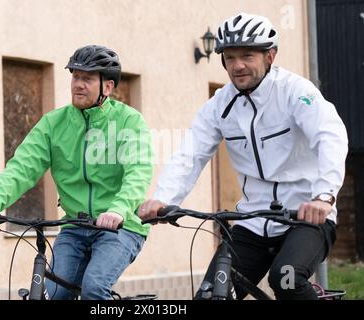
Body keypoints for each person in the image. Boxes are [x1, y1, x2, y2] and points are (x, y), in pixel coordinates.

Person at [139, 13, 348, 300]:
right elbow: (190, 154)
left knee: (285, 279)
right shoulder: (219, 105)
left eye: (247, 56)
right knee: (211, 294)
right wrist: (164, 199)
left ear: (270, 56)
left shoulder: (296, 92)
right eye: (230, 57)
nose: (238, 66)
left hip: (305, 217)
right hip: (252, 221)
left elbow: (330, 137)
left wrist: (323, 196)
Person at [0, 45, 153, 300]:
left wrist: (118, 210)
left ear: (108, 87)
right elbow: (22, 167)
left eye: (87, 79)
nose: (78, 84)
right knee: (54, 295)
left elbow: (138, 172)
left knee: (94, 287)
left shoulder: (128, 121)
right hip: (74, 226)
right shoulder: (53, 124)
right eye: (75, 76)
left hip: (120, 227)